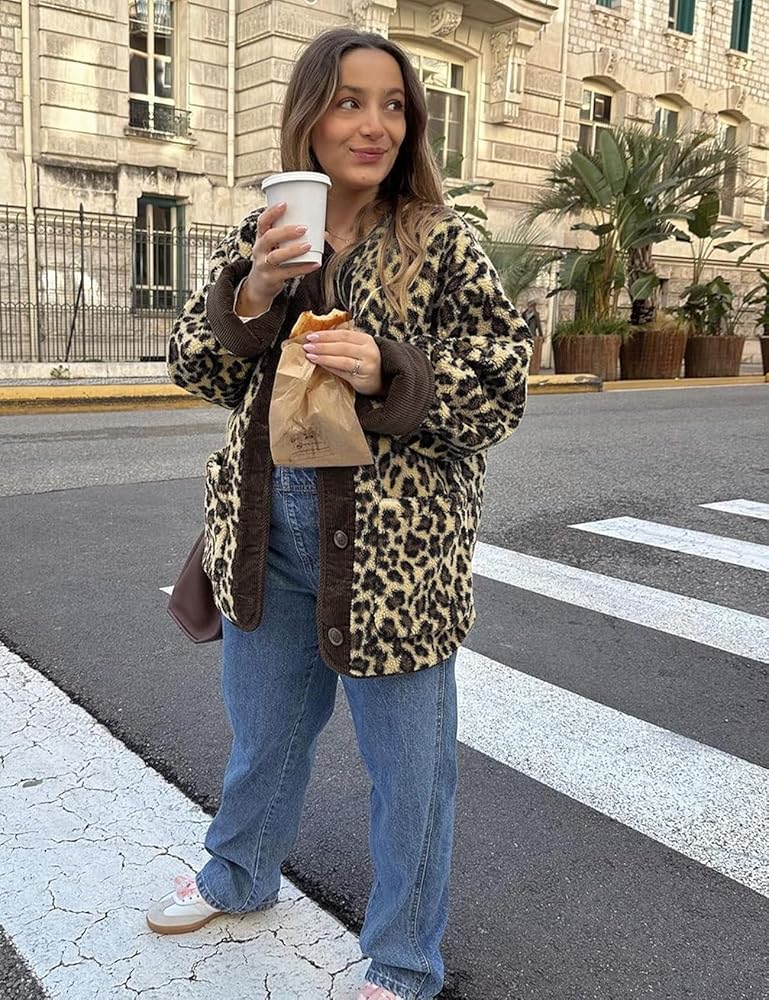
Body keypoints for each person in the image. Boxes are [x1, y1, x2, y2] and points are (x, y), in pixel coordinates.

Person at [149, 27, 532, 1000]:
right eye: (350, 101)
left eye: (393, 105)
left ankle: (402, 959)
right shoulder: (268, 230)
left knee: (411, 775)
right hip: (266, 539)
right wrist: (255, 289)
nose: (374, 124)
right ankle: (238, 874)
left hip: (395, 560)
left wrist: (390, 369)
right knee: (265, 736)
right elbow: (194, 366)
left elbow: (501, 386)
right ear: (310, 117)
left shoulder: (442, 243)